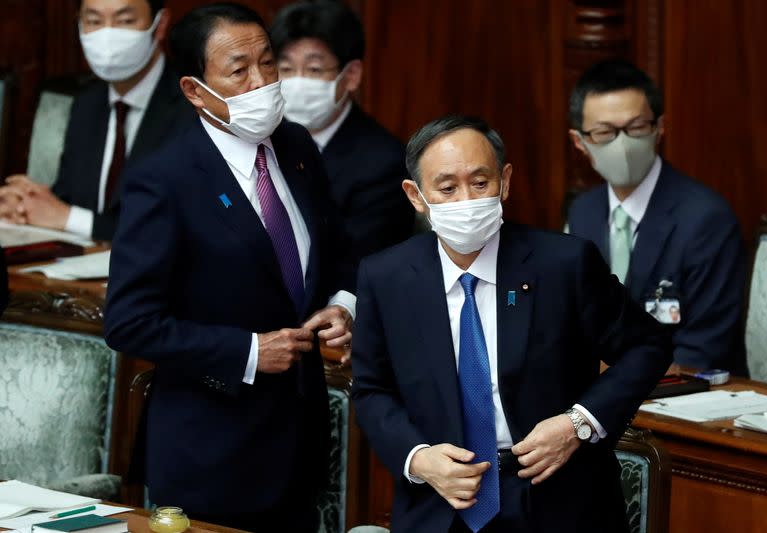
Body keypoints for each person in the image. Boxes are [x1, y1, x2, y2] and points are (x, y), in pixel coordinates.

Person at [351, 115, 672, 533]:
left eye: (480, 183)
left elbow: (648, 347)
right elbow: (372, 389)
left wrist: (578, 422)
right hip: (440, 502)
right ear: (416, 195)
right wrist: (418, 458)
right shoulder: (386, 277)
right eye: (447, 188)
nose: (465, 199)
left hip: (556, 499)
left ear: (504, 181)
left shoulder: (564, 265)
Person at [103, 3, 356, 531]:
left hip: (298, 443)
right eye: (239, 70)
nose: (262, 81)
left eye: (269, 63)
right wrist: (246, 351)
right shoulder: (163, 179)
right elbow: (128, 322)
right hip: (210, 451)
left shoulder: (297, 146)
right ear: (196, 90)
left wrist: (342, 303)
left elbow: (336, 254)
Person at [567, 59, 748, 376]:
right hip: (596, 406)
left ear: (659, 127)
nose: (622, 144)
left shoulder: (706, 219)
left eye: (636, 128)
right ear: (580, 142)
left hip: (681, 403)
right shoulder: (582, 213)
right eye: (605, 132)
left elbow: (702, 353)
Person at [0, 0, 195, 241]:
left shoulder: (195, 105)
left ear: (160, 24)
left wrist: (69, 218)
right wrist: (24, 206)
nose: (107, 34)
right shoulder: (87, 103)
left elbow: (186, 223)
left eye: (125, 21)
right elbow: (66, 199)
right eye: (93, 21)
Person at [270, 0, 414, 259]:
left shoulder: (384, 163)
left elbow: (362, 260)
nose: (297, 82)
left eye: (314, 69)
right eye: (286, 69)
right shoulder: (260, 139)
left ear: (351, 76)